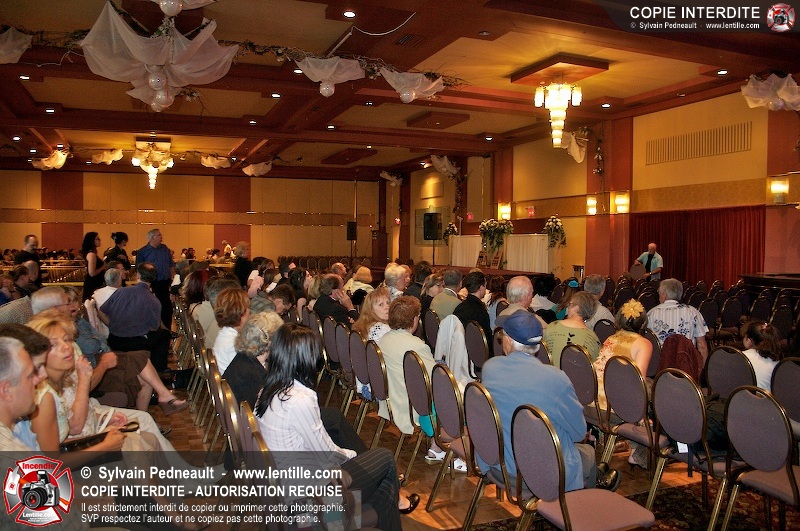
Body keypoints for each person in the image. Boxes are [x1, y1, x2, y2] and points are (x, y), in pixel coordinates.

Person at [255, 324, 418, 531]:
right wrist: (352, 456)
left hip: (285, 491)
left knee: (385, 490)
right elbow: (327, 455)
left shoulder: (268, 389)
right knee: (385, 458)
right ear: (306, 358)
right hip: (310, 503)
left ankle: (377, 511)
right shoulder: (299, 399)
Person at [482, 310, 620, 492]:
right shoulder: (556, 379)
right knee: (588, 453)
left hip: (499, 463)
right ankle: (590, 495)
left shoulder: (490, 368)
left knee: (581, 454)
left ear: (508, 341)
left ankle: (595, 481)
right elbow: (579, 433)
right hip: (541, 473)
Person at [99, 262, 173, 375]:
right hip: (136, 343)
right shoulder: (154, 301)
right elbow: (154, 327)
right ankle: (159, 370)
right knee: (164, 335)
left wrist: (112, 326)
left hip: (115, 340)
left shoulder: (120, 291)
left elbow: (101, 312)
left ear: (138, 275)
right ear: (154, 278)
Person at [377, 296, 436, 436]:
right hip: (411, 408)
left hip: (390, 402)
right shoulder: (417, 346)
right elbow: (436, 381)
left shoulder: (384, 339)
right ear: (414, 319)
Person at [647, 278, 709, 361]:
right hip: (687, 364)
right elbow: (702, 345)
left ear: (664, 295)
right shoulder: (693, 312)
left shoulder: (651, 313)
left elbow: (647, 344)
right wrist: (701, 367)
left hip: (661, 364)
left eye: (659, 294)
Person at [543, 291, 602, 367]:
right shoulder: (593, 339)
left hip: (549, 372)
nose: (568, 307)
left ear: (576, 308)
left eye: (570, 304)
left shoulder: (552, 326)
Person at [135, 228, 176, 328]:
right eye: (159, 235)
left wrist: (172, 280)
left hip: (165, 283)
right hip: (152, 284)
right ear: (152, 238)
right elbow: (139, 269)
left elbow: (171, 265)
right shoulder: (142, 252)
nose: (161, 237)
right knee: (152, 307)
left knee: (167, 308)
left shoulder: (164, 249)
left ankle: (166, 330)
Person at [212, 287, 250, 374]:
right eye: (248, 307)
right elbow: (247, 374)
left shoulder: (224, 334)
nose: (250, 311)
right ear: (240, 313)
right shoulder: (234, 344)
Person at [740, 320, 783, 391]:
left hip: (738, 396)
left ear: (748, 340)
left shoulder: (739, 357)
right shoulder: (778, 364)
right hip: (765, 397)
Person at [453, 271, 492, 342]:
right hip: (476, 347)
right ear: (481, 287)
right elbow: (487, 339)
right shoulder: (481, 311)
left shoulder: (460, 307)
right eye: (485, 286)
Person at [81, 232, 106, 301]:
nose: (100, 240)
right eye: (97, 239)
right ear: (92, 241)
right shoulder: (91, 254)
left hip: (95, 282)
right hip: (93, 284)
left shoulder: (92, 253)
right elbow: (92, 273)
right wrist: (103, 266)